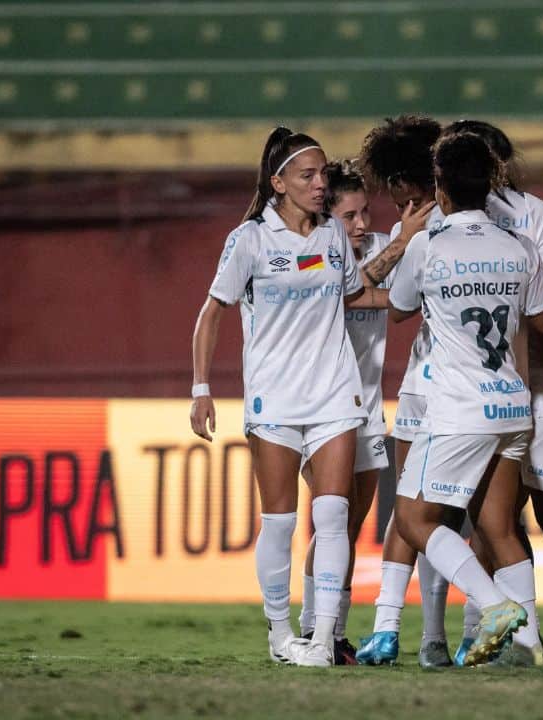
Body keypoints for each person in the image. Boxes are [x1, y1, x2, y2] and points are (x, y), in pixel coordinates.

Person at [386, 131, 543, 667]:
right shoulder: (520, 246)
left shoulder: (429, 245)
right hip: (513, 405)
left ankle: (495, 606)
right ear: (490, 184)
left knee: (415, 521)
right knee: (499, 527)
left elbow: (396, 308)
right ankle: (528, 646)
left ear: (440, 187)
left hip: (459, 406)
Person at [189, 127, 387, 667]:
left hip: (334, 397)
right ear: (278, 183)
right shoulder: (249, 240)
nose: (321, 184)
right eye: (308, 175)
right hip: (274, 401)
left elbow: (357, 296)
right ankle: (280, 636)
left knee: (333, 516)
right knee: (279, 522)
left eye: (323, 174)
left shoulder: (331, 238)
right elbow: (211, 315)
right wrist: (201, 390)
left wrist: (421, 292)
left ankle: (322, 636)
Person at [349, 115, 454, 667]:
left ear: (403, 179)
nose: (387, 198)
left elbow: (388, 303)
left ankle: (393, 629)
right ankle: (435, 638)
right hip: (472, 390)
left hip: (432, 385)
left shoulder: (419, 231)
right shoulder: (488, 217)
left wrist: (408, 243)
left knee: (412, 511)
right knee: (450, 515)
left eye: (390, 184)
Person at [295, 160, 396, 665]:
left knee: (349, 527)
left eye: (366, 214)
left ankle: (329, 627)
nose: (361, 225)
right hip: (319, 409)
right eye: (350, 216)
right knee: (329, 522)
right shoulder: (307, 256)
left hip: (370, 410)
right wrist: (396, 254)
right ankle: (317, 628)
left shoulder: (378, 247)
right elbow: (343, 288)